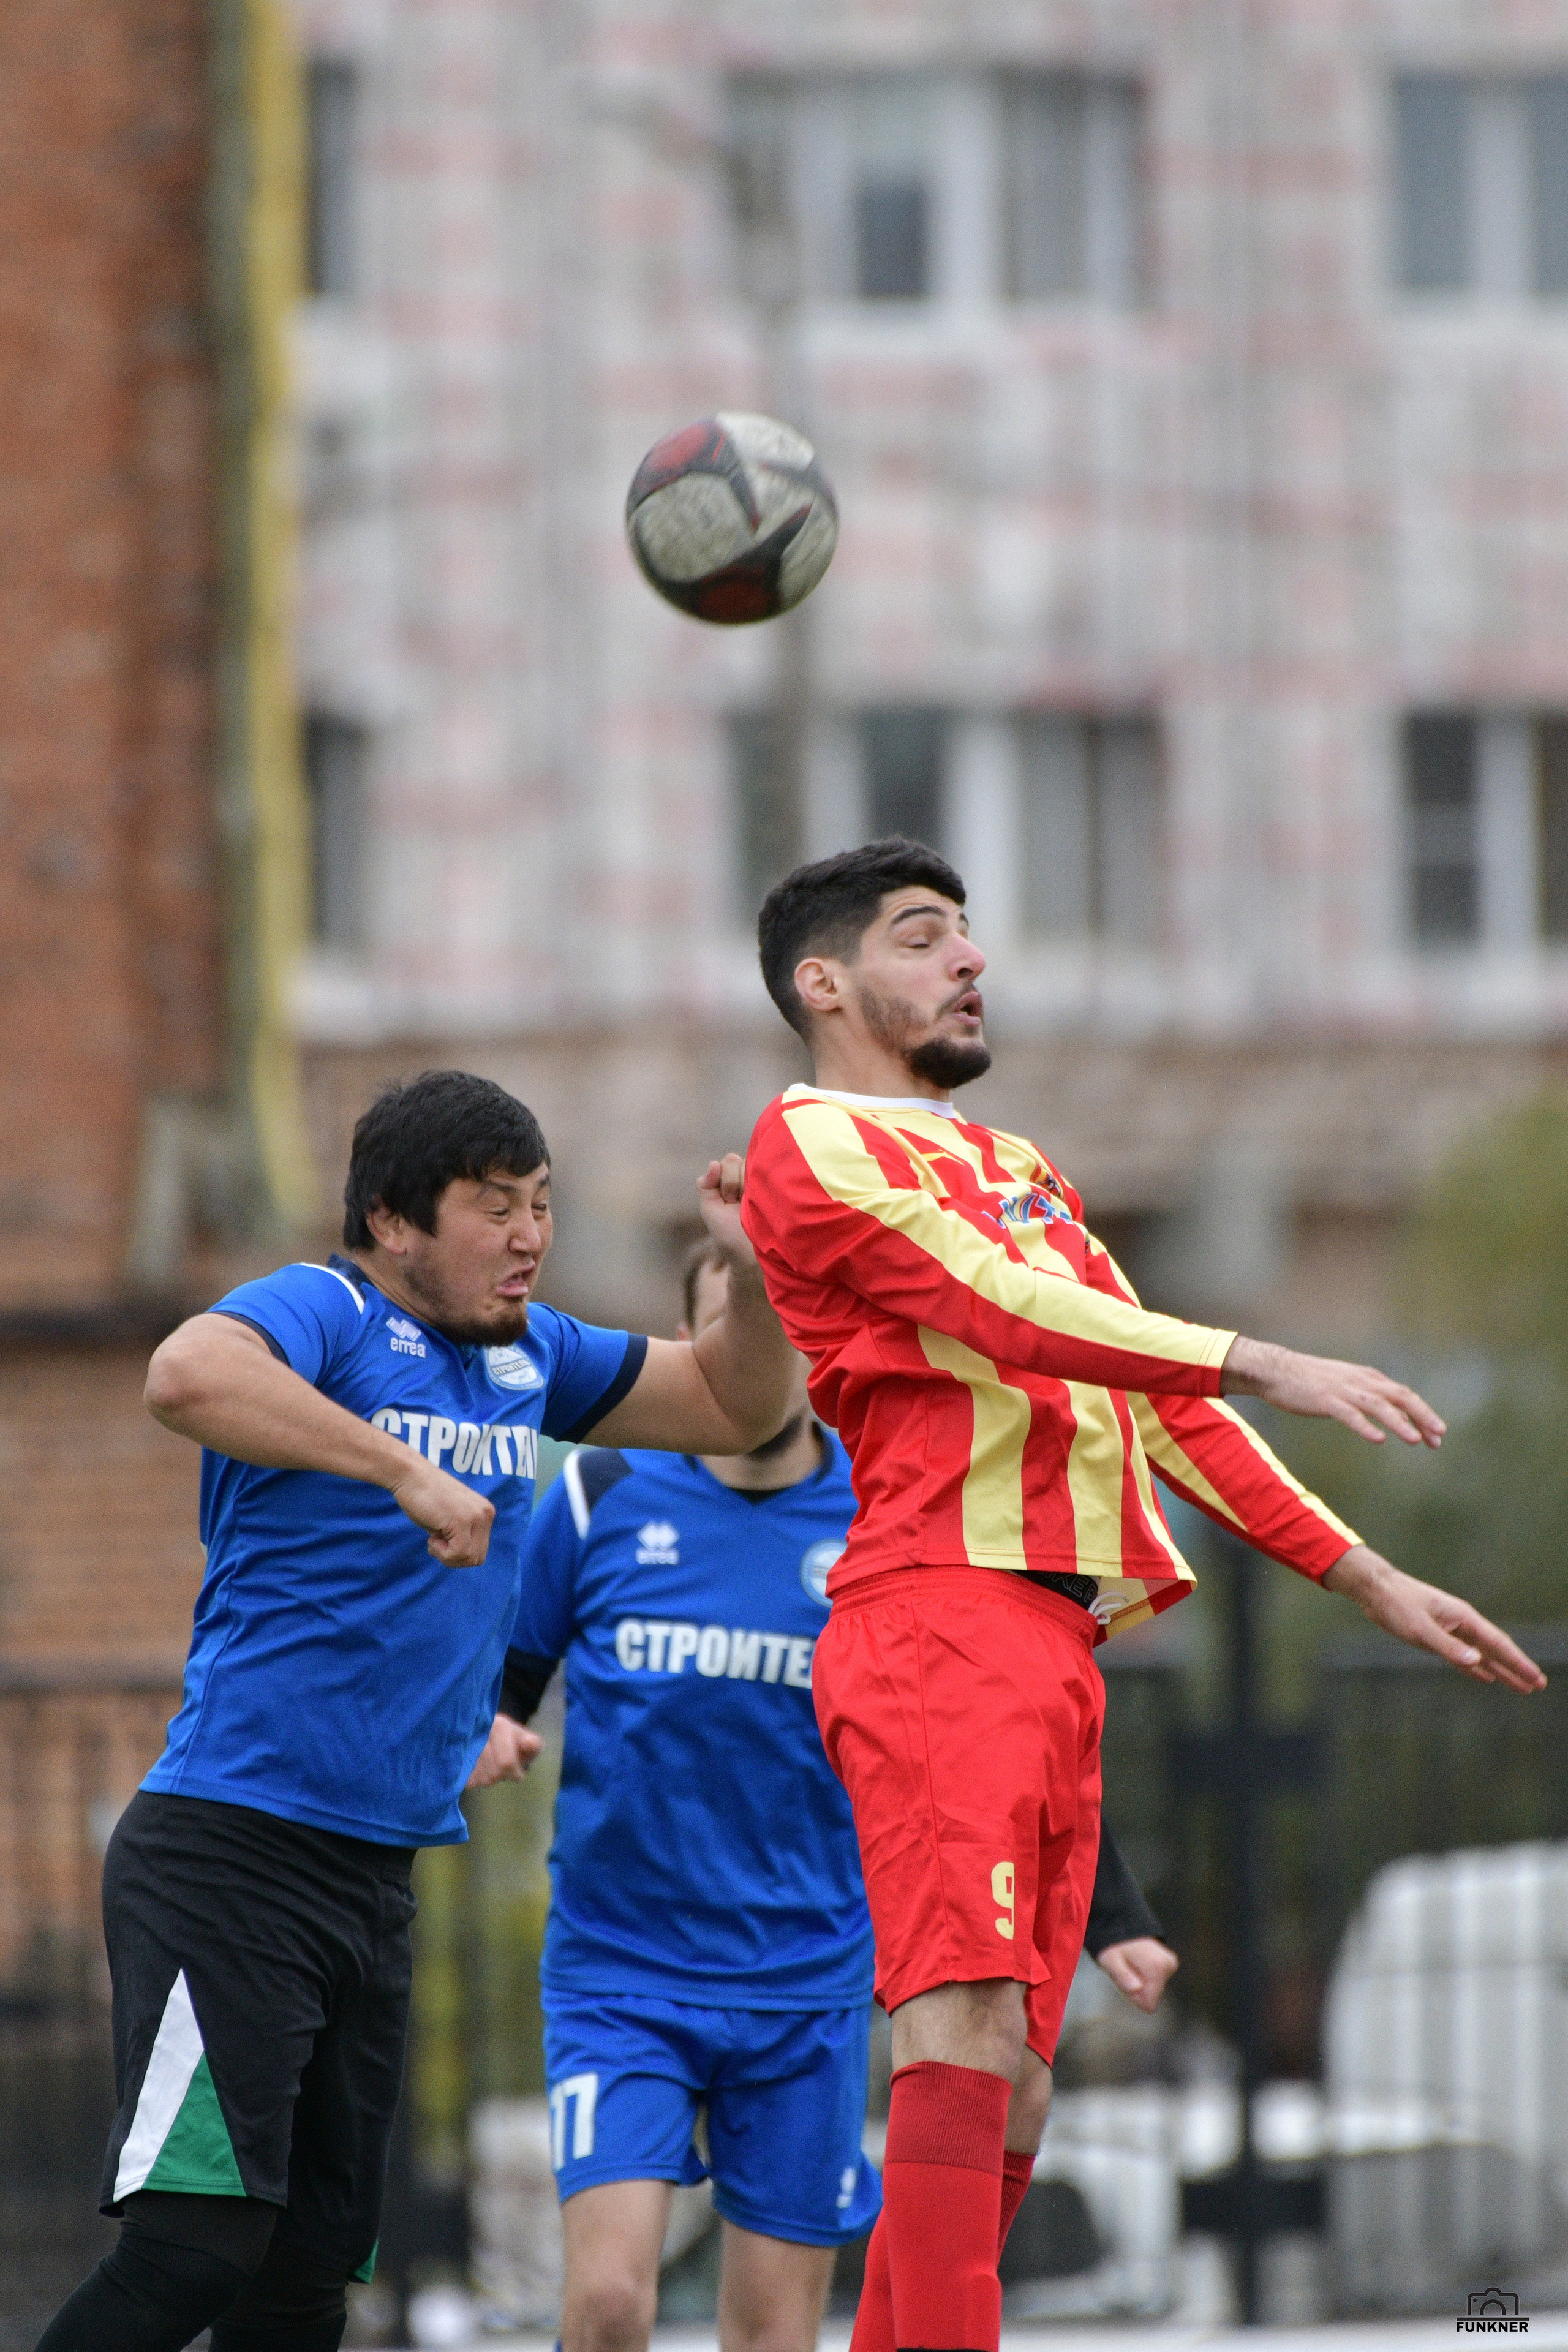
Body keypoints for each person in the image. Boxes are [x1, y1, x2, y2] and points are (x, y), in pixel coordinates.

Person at [737, 839, 1546, 2352]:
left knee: (1016, 2086)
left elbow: (1150, 1391)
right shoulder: (811, 1143)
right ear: (821, 983)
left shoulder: (1019, 1167)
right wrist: (1260, 1353)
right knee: (961, 2029)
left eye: (967, 933)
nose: (969, 958)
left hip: (1052, 1641)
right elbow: (1003, 1308)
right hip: (936, 1614)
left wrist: (1364, 1575)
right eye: (922, 936)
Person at [36, 1071, 797, 2352]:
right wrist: (404, 1469)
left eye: (541, 1204)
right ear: (392, 1220)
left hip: (372, 1880)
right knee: (191, 2253)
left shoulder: (535, 1353)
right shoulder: (328, 1309)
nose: (529, 1235)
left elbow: (737, 1404)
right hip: (231, 1857)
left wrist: (758, 1269)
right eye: (494, 1206)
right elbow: (182, 1374)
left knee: (306, 2281)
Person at [469, 1238, 1179, 2352]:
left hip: (807, 1979)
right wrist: (489, 1726)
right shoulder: (603, 1494)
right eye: (728, 1328)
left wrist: (1114, 1915)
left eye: (784, 1325)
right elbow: (506, 1675)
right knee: (607, 2307)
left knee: (774, 2332)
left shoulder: (885, 1511)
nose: (759, 1349)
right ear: (689, 1349)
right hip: (625, 1970)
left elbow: (993, 1742)